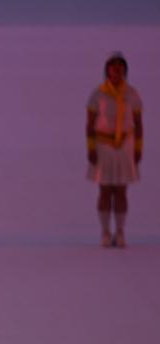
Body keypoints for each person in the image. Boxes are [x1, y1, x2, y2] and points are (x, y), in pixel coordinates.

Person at [87, 52, 143, 247]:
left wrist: (138, 148)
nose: (117, 71)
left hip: (124, 145)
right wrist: (91, 148)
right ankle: (104, 232)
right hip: (104, 145)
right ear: (107, 71)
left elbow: (138, 123)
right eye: (113, 67)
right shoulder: (98, 94)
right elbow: (89, 123)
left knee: (121, 190)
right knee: (104, 190)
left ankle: (119, 231)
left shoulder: (132, 94)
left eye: (120, 68)